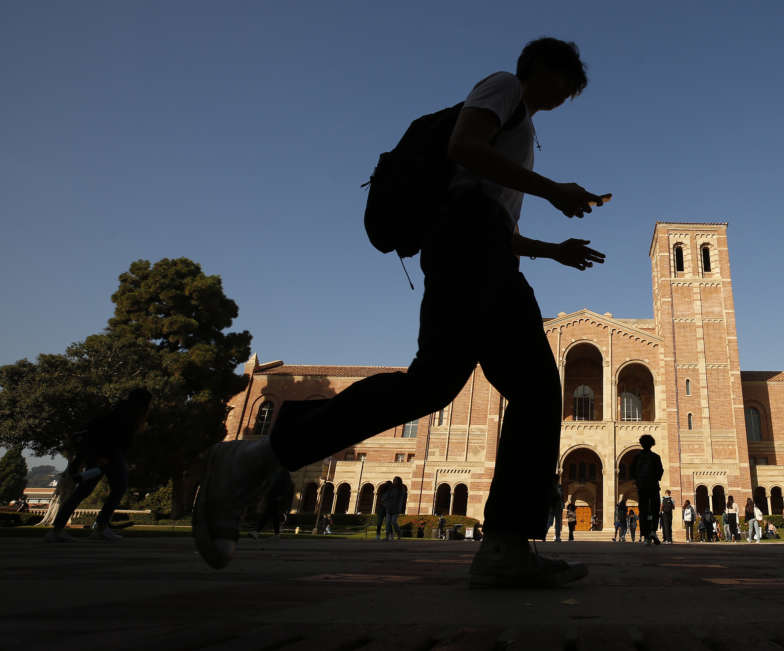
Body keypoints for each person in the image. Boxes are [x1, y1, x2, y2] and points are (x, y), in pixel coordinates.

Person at [191, 38, 605, 589]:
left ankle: (256, 458)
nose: (565, 98)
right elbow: (463, 148)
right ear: (546, 70)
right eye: (566, 86)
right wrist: (552, 190)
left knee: (432, 387)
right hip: (469, 249)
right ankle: (505, 544)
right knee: (533, 389)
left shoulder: (520, 125)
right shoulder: (504, 87)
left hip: (477, 248)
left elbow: (493, 217)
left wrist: (553, 250)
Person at [47, 388, 153, 543]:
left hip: (103, 454)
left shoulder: (118, 411)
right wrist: (103, 456)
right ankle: (100, 527)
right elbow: (115, 437)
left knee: (83, 491)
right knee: (118, 487)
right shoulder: (128, 415)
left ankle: (58, 529)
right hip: (109, 454)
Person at [633, 435, 663, 545]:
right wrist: (656, 479)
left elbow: (632, 470)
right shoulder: (656, 457)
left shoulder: (637, 457)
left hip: (642, 487)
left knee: (643, 510)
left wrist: (637, 481)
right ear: (652, 444)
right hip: (653, 487)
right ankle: (653, 531)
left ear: (641, 444)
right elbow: (660, 471)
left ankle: (646, 535)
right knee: (655, 509)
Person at [251, 469, 294, 540]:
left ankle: (256, 531)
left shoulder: (284, 472)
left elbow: (287, 485)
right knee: (274, 515)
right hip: (271, 496)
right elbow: (269, 483)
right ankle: (276, 534)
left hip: (277, 497)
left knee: (267, 513)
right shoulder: (274, 471)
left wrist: (281, 495)